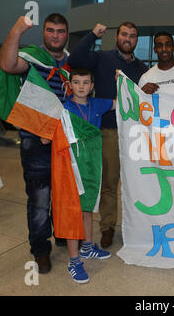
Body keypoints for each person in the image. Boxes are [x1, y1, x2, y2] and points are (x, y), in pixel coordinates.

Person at [0, 13, 70, 274]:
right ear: (44, 33)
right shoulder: (33, 59)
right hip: (35, 140)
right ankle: (40, 249)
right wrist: (17, 30)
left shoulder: (71, 64)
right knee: (40, 199)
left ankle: (63, 233)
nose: (55, 35)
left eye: (60, 31)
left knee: (63, 194)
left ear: (66, 34)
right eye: (50, 30)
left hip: (64, 139)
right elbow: (7, 65)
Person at [68, 22, 148, 249]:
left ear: (136, 41)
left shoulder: (142, 69)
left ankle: (139, 225)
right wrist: (93, 34)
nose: (128, 38)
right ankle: (107, 227)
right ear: (117, 36)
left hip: (135, 134)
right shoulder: (102, 58)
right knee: (110, 183)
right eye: (124, 34)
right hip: (110, 132)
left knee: (137, 182)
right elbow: (75, 60)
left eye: (133, 36)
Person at [62, 68, 116, 283]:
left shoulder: (97, 104)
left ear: (92, 86)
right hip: (72, 166)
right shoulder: (64, 109)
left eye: (86, 83)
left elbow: (120, 102)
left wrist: (122, 82)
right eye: (76, 82)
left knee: (87, 208)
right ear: (70, 85)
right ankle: (74, 261)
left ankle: (87, 247)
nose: (81, 86)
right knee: (73, 212)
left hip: (91, 166)